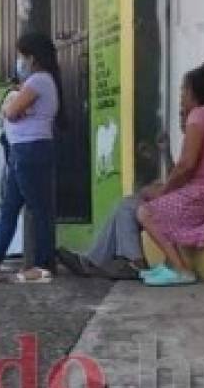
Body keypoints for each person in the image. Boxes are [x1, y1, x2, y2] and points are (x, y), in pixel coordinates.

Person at [0, 32, 61, 283]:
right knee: (9, 210)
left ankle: (43, 265)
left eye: (21, 56)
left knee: (40, 210)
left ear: (32, 58)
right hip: (22, 152)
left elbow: (11, 111)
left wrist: (12, 104)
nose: (19, 62)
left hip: (32, 151)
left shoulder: (39, 80)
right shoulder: (36, 83)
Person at [58, 112, 182, 281]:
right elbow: (175, 176)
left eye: (182, 113)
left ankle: (129, 262)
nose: (180, 119)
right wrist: (164, 154)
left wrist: (158, 187)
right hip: (172, 196)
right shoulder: (188, 137)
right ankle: (110, 261)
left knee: (126, 206)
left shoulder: (198, 130)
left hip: (182, 199)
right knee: (125, 205)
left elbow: (180, 180)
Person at [135, 61, 204, 287]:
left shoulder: (199, 116)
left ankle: (181, 269)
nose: (181, 95)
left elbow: (186, 165)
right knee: (158, 205)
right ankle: (168, 265)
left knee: (145, 212)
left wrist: (164, 192)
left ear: (194, 92)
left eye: (184, 90)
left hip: (202, 193)